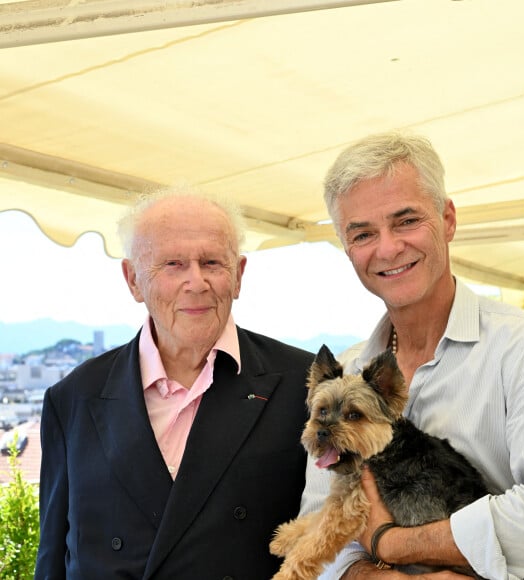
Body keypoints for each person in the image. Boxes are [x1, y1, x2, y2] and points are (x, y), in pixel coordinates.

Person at [302, 131, 524, 579]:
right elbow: (319, 526)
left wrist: (393, 542)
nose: (388, 247)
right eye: (363, 233)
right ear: (347, 248)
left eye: (407, 220)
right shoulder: (348, 371)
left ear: (447, 219)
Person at [34, 187, 314, 579]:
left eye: (212, 262)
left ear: (238, 275)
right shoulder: (73, 398)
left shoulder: (305, 385)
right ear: (133, 279)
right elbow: (52, 559)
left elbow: (330, 538)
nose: (196, 282)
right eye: (173, 264)